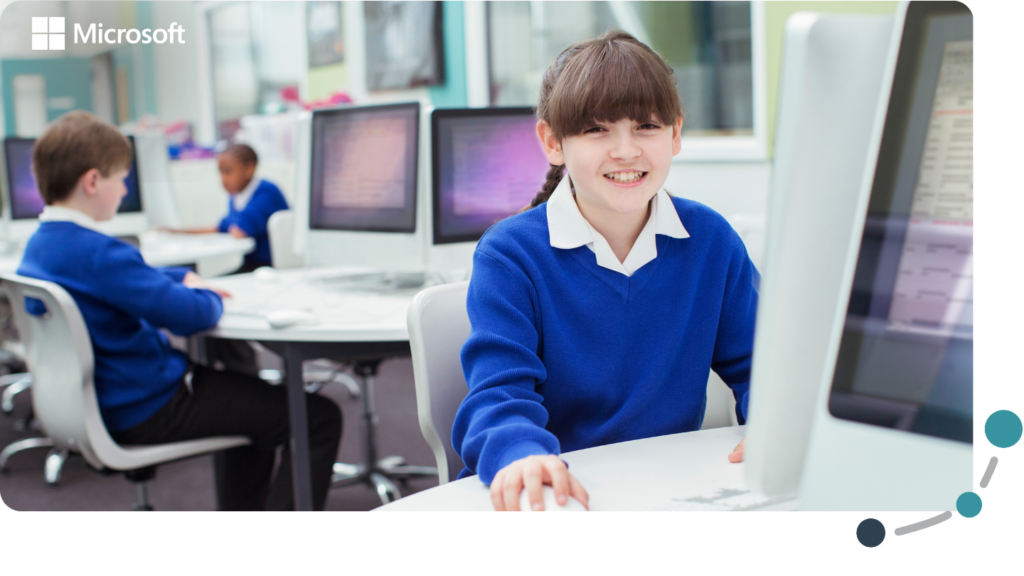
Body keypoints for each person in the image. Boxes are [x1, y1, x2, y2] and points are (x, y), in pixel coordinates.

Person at [452, 31, 759, 513]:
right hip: (556, 494)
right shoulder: (510, 255)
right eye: (597, 130)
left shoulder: (711, 241)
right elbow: (498, 393)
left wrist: (774, 425)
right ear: (552, 141)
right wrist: (521, 455)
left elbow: (763, 366)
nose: (625, 150)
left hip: (669, 490)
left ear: (675, 134)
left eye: (646, 127)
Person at [17, 111, 341, 512]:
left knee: (253, 406)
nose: (123, 192)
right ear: (93, 181)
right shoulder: (99, 252)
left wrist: (178, 276)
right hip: (151, 405)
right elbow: (194, 317)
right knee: (318, 417)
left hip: (103, 400)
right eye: (121, 180)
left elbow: (131, 277)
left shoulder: (42, 247)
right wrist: (208, 293)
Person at [170, 143, 288, 273]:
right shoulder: (236, 197)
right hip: (252, 266)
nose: (223, 179)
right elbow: (221, 228)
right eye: (220, 172)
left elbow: (239, 232)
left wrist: (232, 229)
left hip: (271, 268)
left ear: (250, 168)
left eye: (228, 171)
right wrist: (178, 232)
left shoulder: (266, 192)